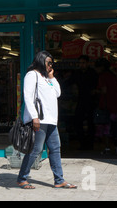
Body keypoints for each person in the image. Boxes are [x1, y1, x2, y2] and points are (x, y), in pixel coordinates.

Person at [17, 51, 77, 189]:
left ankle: (59, 180)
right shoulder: (32, 75)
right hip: (39, 120)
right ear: (40, 60)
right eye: (48, 62)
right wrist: (34, 117)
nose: (51, 65)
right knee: (35, 150)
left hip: (51, 120)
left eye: (52, 63)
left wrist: (51, 77)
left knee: (55, 149)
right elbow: (28, 97)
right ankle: (22, 178)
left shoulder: (46, 77)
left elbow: (58, 93)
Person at [94, 58, 117, 154]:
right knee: (114, 127)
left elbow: (104, 91)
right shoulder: (113, 76)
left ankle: (107, 147)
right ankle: (116, 147)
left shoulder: (102, 77)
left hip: (106, 106)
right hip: (115, 105)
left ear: (101, 67)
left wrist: (95, 91)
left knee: (105, 127)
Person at [74, 55, 98, 150]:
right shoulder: (77, 73)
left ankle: (90, 143)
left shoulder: (93, 73)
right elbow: (70, 82)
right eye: (80, 63)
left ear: (88, 63)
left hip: (91, 101)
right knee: (78, 122)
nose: (81, 65)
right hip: (80, 100)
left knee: (91, 123)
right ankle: (82, 143)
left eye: (83, 63)